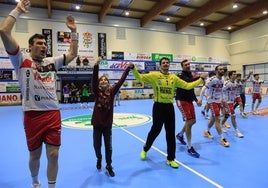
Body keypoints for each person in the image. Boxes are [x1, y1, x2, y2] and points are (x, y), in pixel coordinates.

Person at [0, 1, 78, 187]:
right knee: (34, 155)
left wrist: (74, 31)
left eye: (45, 44)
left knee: (54, 154)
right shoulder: (20, 59)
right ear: (30, 46)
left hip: (52, 113)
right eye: (39, 43)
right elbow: (4, 31)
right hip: (32, 115)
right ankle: (35, 182)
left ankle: (51, 185)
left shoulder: (52, 61)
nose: (44, 46)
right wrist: (18, 10)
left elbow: (73, 53)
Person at [129, 57, 207, 168]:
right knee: (155, 131)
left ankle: (170, 159)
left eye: (167, 62)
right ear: (160, 65)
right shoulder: (154, 76)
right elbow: (139, 77)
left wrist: (200, 80)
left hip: (169, 107)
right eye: (163, 63)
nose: (166, 64)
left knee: (170, 134)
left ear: (169, 65)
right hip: (158, 107)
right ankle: (145, 149)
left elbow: (187, 86)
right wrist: (133, 68)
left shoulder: (173, 78)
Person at [91, 57, 132, 177]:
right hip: (97, 125)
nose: (103, 81)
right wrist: (96, 65)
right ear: (99, 84)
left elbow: (121, 80)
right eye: (101, 80)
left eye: (105, 80)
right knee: (97, 146)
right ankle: (99, 158)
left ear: (108, 83)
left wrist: (128, 68)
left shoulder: (113, 91)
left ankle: (108, 165)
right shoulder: (96, 92)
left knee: (108, 147)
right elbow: (94, 79)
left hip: (107, 125)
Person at [175, 59, 202, 158]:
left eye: (188, 64)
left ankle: (180, 135)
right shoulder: (181, 76)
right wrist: (199, 78)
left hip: (189, 101)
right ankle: (189, 147)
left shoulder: (190, 74)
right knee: (189, 122)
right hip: (181, 101)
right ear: (182, 66)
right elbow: (188, 83)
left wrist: (196, 100)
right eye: (185, 65)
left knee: (192, 121)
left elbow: (191, 89)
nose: (188, 66)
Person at [203, 66, 230, 147]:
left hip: (218, 100)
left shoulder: (222, 80)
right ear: (216, 71)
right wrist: (200, 99)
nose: (222, 70)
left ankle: (206, 131)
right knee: (217, 118)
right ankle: (222, 139)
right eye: (220, 69)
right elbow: (203, 89)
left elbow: (221, 90)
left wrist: (222, 98)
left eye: (223, 69)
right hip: (212, 101)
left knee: (213, 118)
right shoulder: (211, 79)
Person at [221, 71, 244, 137]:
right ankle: (237, 131)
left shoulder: (235, 83)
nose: (235, 75)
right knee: (233, 116)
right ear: (230, 76)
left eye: (235, 74)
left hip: (232, 101)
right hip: (227, 102)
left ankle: (221, 125)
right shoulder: (227, 83)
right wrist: (222, 99)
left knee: (226, 116)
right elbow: (221, 90)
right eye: (234, 74)